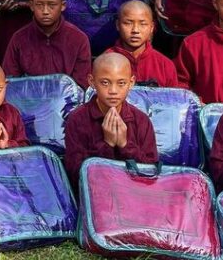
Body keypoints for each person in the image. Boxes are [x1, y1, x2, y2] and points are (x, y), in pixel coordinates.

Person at [63, 52, 159, 190]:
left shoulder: (141, 120)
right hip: (94, 193)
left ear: (131, 83)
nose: (113, 91)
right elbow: (75, 173)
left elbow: (151, 173)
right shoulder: (77, 119)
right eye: (105, 83)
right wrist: (106, 144)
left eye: (121, 83)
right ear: (92, 81)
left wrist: (125, 145)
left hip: (134, 192)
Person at [2, 0, 91, 86]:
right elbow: (10, 80)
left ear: (62, 6)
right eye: (39, 5)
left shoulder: (78, 39)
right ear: (31, 6)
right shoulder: (19, 38)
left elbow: (81, 84)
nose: (45, 11)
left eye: (51, 5)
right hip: (28, 99)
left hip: (67, 100)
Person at [108, 0, 179, 88]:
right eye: (128, 23)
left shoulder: (165, 65)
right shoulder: (105, 62)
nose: (135, 30)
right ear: (118, 25)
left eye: (143, 24)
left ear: (152, 27)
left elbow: (174, 100)